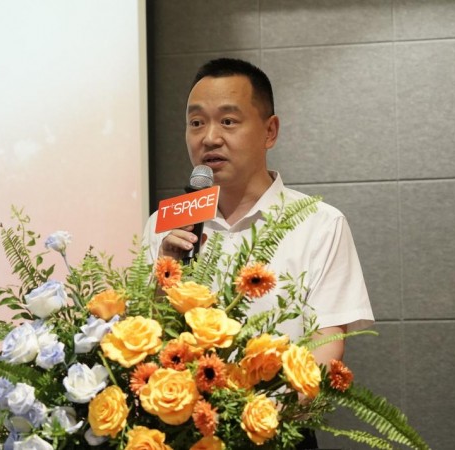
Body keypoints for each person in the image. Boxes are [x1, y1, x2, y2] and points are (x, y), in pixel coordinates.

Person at [143, 58, 374, 448]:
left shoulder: (319, 224)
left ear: (270, 131)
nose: (209, 138)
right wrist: (163, 277)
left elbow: (326, 346)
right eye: (196, 122)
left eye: (228, 121)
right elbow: (144, 337)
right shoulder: (163, 225)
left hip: (277, 434)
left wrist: (259, 421)